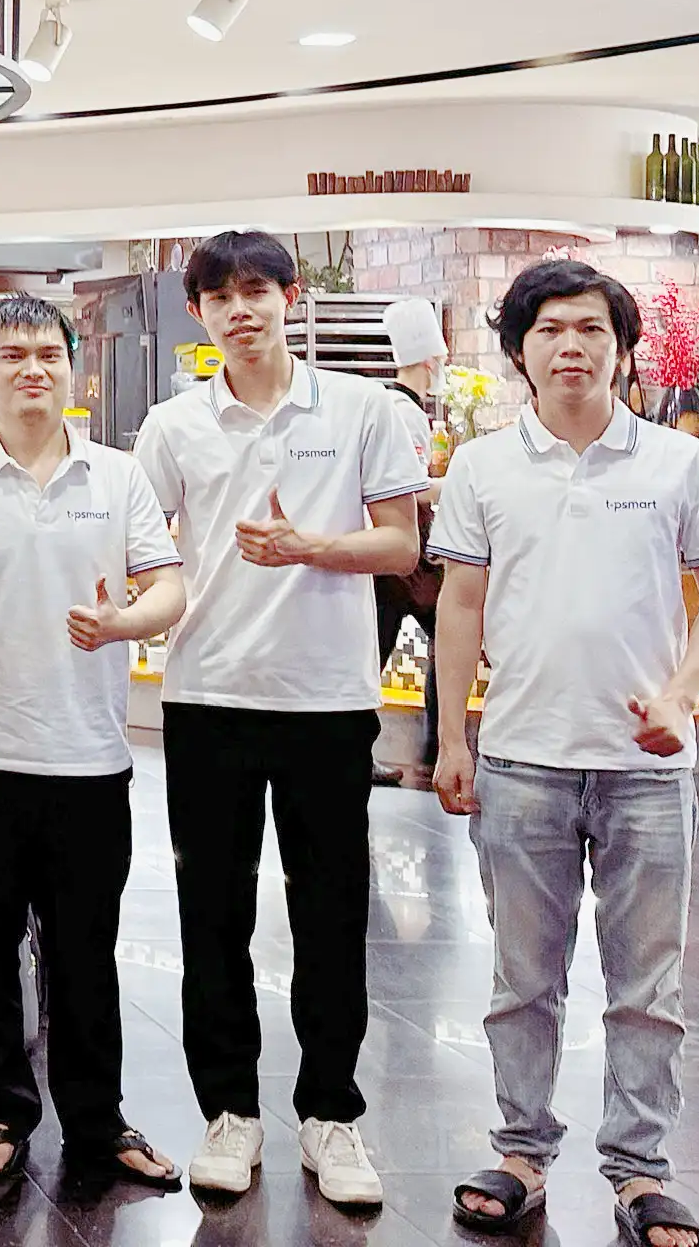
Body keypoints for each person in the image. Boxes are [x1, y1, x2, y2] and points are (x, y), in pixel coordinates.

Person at [433, 260, 699, 1247]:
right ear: (519, 351)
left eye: (591, 330)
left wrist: (680, 697)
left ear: (622, 349)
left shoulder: (677, 463)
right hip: (520, 758)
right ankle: (521, 1153)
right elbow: (460, 604)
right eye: (550, 330)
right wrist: (451, 737)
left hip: (646, 771)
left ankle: (641, 1169)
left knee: (647, 986)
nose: (571, 346)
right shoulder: (482, 467)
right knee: (521, 980)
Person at [131, 230, 423, 1210]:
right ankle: (229, 1112)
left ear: (290, 297)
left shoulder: (362, 409)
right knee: (210, 915)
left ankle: (332, 1115)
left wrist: (308, 547)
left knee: (330, 913)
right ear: (199, 314)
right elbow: (140, 551)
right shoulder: (172, 426)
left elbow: (400, 546)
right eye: (220, 298)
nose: (240, 311)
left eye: (256, 291)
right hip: (206, 696)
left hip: (326, 701)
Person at [0, 296, 187, 1193]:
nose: (33, 369)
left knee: (84, 955)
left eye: (49, 354)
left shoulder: (117, 475)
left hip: (89, 759)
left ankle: (98, 1121)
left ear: (73, 369)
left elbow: (168, 588)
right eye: (14, 355)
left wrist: (122, 624)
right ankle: (1, 1111)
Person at [376, 295, 448, 784]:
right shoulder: (405, 413)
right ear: (430, 362)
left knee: (375, 651)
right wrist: (457, 484)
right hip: (404, 553)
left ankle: (433, 744)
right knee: (449, 633)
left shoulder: (392, 406)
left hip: (392, 554)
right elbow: (411, 490)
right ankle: (436, 744)